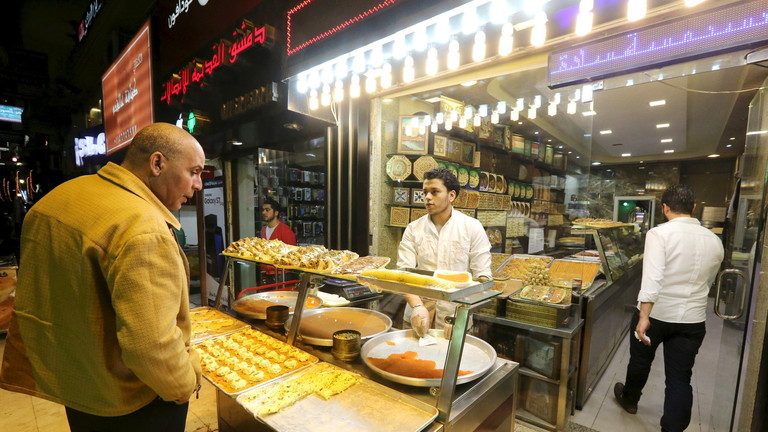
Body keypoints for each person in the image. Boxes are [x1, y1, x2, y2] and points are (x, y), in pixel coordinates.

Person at [0, 123, 205, 432]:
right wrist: (186, 384)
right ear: (157, 163)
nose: (198, 184)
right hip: (130, 403)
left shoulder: (59, 197)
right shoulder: (143, 227)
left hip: (79, 388)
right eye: (194, 172)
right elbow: (152, 347)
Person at [614, 184, 724, 432]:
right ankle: (672, 428)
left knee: (640, 361)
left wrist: (644, 316)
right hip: (693, 320)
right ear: (693, 208)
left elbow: (652, 278)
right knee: (680, 377)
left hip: (656, 315)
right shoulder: (715, 241)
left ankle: (630, 400)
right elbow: (708, 282)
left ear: (664, 208)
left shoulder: (659, 234)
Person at [397, 168, 492, 336]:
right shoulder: (413, 229)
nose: (427, 197)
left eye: (434, 192)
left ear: (451, 195)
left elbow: (483, 277)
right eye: (425, 192)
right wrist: (417, 306)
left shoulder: (472, 227)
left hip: (455, 315)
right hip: (418, 313)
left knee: (452, 353)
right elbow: (403, 274)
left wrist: (462, 310)